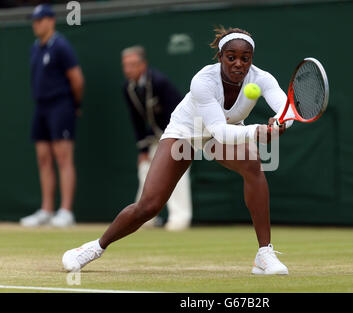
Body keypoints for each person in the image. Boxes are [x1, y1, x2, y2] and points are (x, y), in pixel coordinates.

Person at [62, 26, 294, 275]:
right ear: (220, 57)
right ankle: (95, 247)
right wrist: (259, 131)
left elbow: (287, 110)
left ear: (251, 60)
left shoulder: (262, 78)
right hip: (187, 132)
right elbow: (219, 131)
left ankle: (264, 254)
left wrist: (280, 123)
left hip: (223, 133)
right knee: (149, 206)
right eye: (231, 57)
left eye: (245, 59)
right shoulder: (203, 81)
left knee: (253, 165)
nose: (238, 64)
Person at [20, 4, 84, 227]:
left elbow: (77, 79)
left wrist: (75, 104)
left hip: (61, 106)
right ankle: (47, 210)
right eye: (34, 21)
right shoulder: (35, 48)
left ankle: (66, 211)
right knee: (43, 159)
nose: (35, 25)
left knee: (63, 158)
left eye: (39, 20)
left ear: (50, 21)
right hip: (41, 107)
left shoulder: (61, 46)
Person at [121, 46, 192, 231]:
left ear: (143, 65)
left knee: (176, 172)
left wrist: (172, 140)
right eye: (125, 65)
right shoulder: (128, 88)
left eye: (132, 65)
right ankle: (144, 218)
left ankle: (180, 218)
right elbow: (136, 119)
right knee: (145, 169)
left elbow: (177, 112)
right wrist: (142, 150)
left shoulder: (160, 82)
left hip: (181, 132)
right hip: (157, 137)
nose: (128, 69)